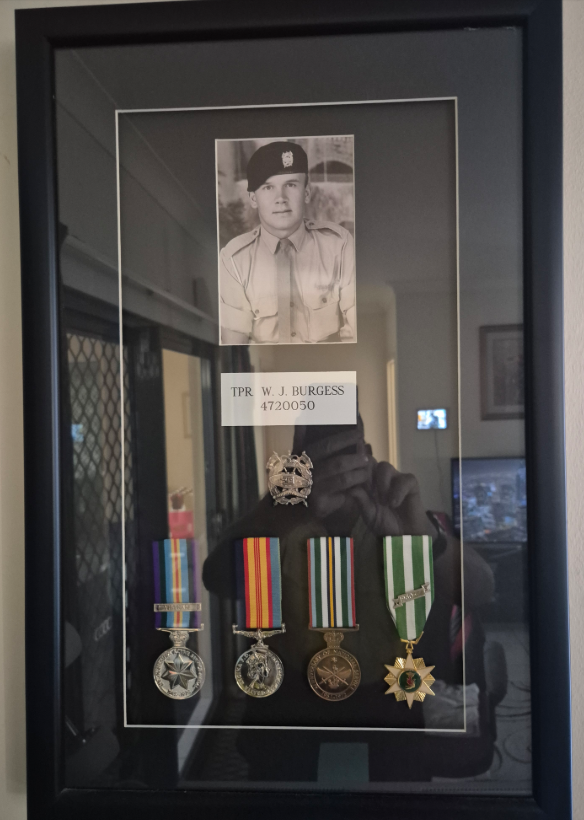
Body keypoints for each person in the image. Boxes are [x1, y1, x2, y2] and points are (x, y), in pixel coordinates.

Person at [219, 141, 356, 345]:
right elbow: (234, 346)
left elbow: (355, 333)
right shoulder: (233, 259)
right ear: (253, 198)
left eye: (290, 185)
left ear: (306, 192)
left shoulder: (339, 245)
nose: (280, 198)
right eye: (268, 187)